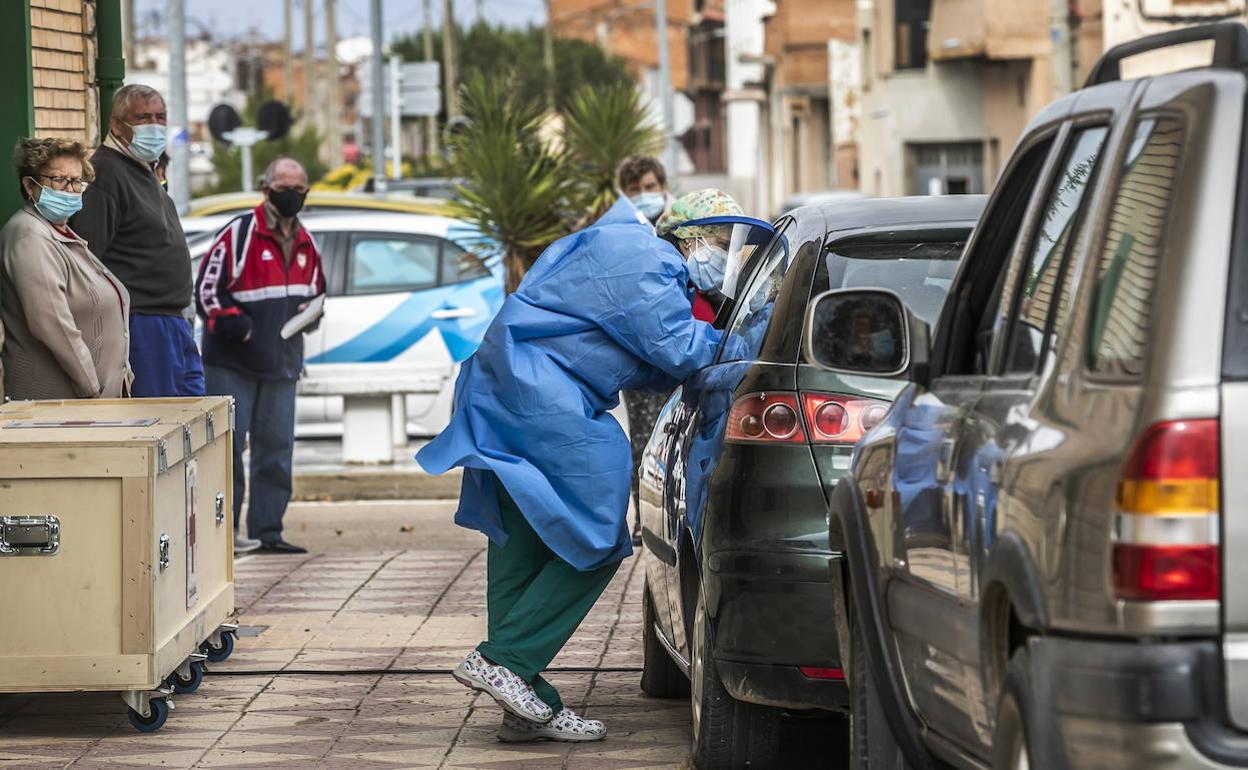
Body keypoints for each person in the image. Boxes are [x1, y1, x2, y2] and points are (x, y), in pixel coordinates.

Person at [418, 189, 767, 743]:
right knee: (599, 542)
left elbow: (639, 361)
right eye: (725, 244)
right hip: (543, 399)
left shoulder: (623, 250)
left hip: (504, 390)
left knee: (525, 544)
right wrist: (753, 330)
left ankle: (523, 701)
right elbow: (680, 351)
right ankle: (503, 661)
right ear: (693, 238)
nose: (728, 259)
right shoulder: (649, 262)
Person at [195, 157, 324, 556]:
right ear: (266, 188)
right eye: (284, 186)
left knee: (276, 449)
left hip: (282, 363)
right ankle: (223, 537)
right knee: (228, 451)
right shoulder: (238, 235)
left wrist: (311, 317)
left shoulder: (307, 242)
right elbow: (206, 293)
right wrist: (240, 326)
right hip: (232, 363)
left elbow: (317, 293)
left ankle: (268, 532)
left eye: (299, 188)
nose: (292, 195)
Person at [71, 84, 204, 398]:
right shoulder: (105, 173)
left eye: (161, 117)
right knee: (159, 422)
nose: (155, 126)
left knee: (190, 420)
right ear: (117, 125)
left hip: (173, 322)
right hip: (141, 324)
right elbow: (87, 260)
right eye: (143, 118)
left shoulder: (143, 170)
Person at [0, 137, 131, 400]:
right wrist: (93, 389)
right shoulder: (30, 235)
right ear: (29, 184)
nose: (70, 190)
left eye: (77, 181)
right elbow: (53, 324)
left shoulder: (61, 234)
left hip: (91, 405)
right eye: (59, 180)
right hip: (63, 406)